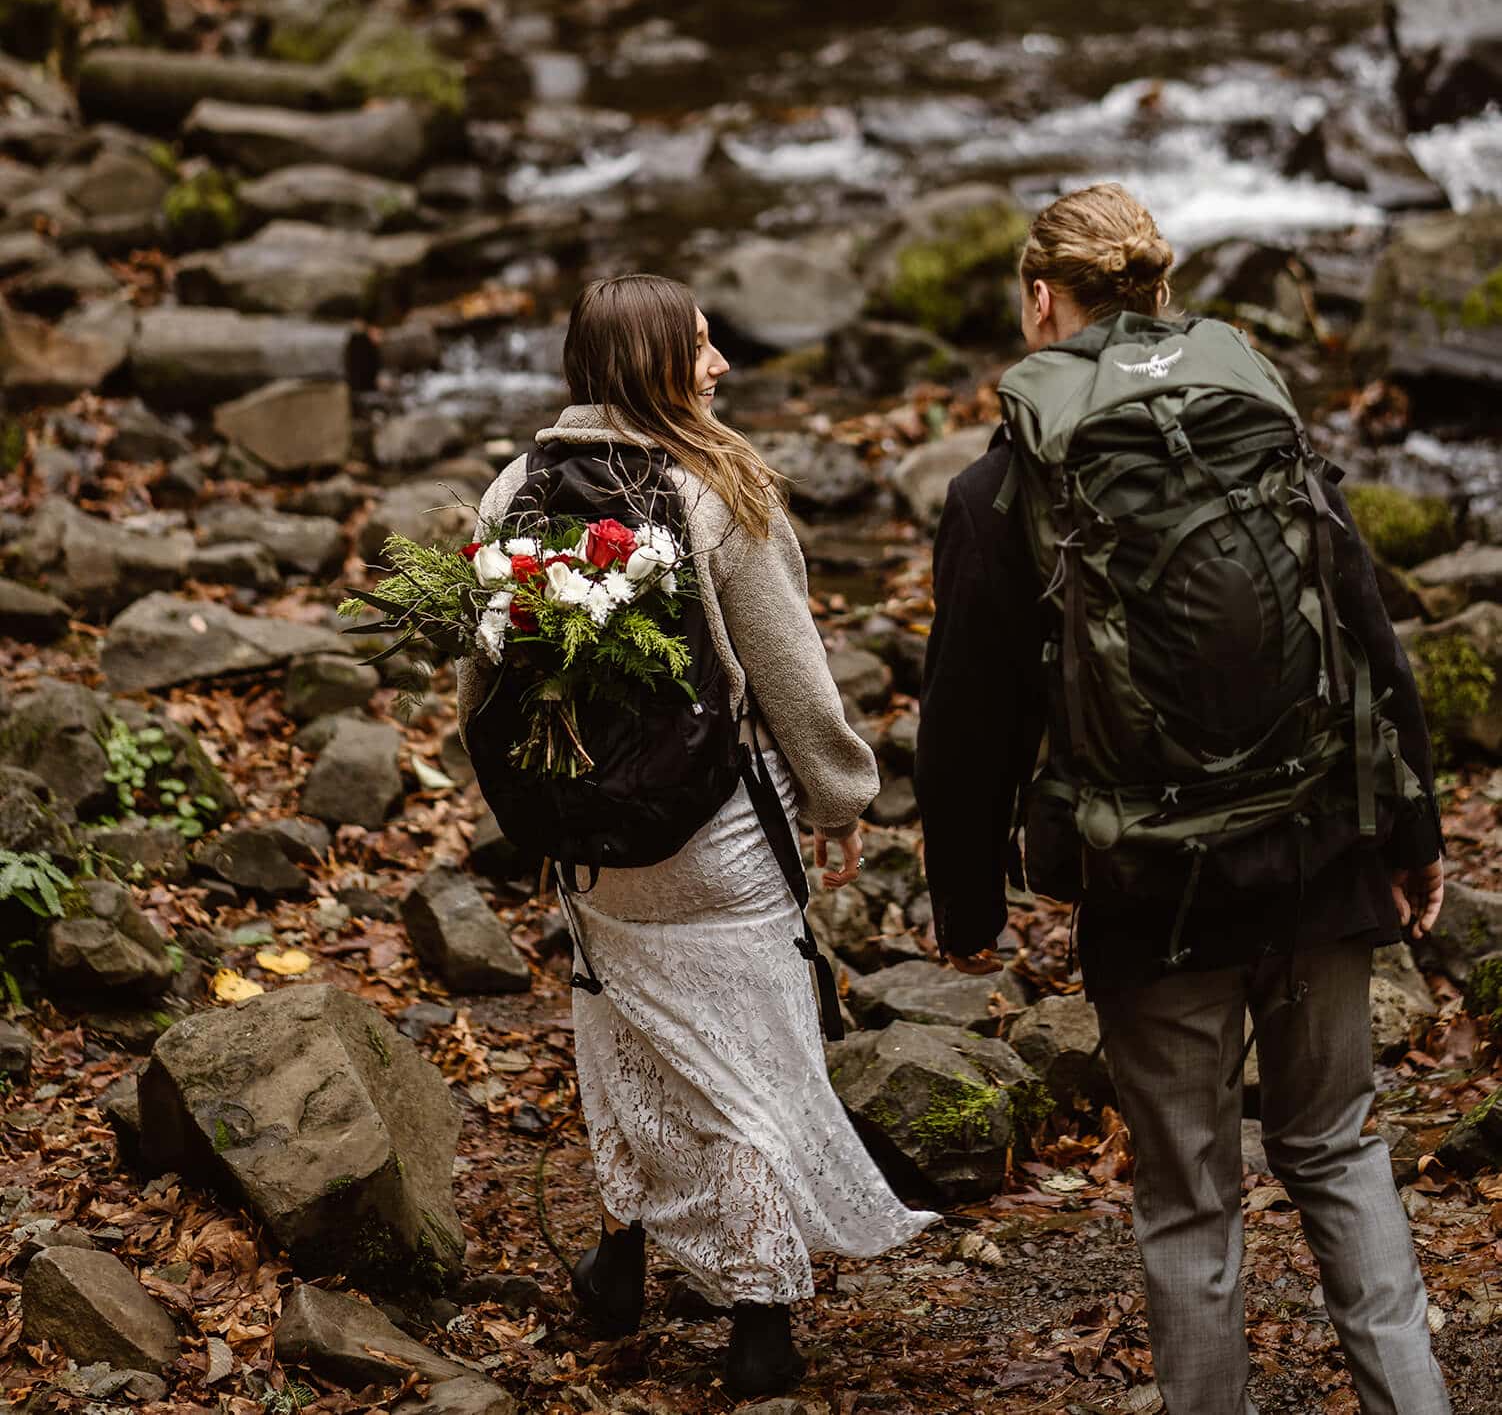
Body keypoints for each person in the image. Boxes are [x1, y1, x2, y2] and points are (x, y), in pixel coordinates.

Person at [915, 183, 1451, 1415]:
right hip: (1317, 849)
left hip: (1150, 887)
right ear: (1158, 288)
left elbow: (966, 720)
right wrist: (1407, 833)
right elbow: (1364, 631)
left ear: (1038, 297)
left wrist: (968, 903)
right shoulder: (1260, 415)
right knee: (1338, 1149)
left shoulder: (998, 488)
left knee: (1190, 1200)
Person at [458, 273, 934, 1399]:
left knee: (619, 1033)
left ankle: (618, 1258)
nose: (720, 366)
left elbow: (479, 676)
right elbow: (791, 678)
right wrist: (841, 796)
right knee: (749, 1056)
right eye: (701, 349)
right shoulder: (719, 488)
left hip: (592, 852)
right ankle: (760, 1315)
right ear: (655, 369)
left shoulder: (511, 489)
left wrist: (539, 801)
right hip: (713, 835)